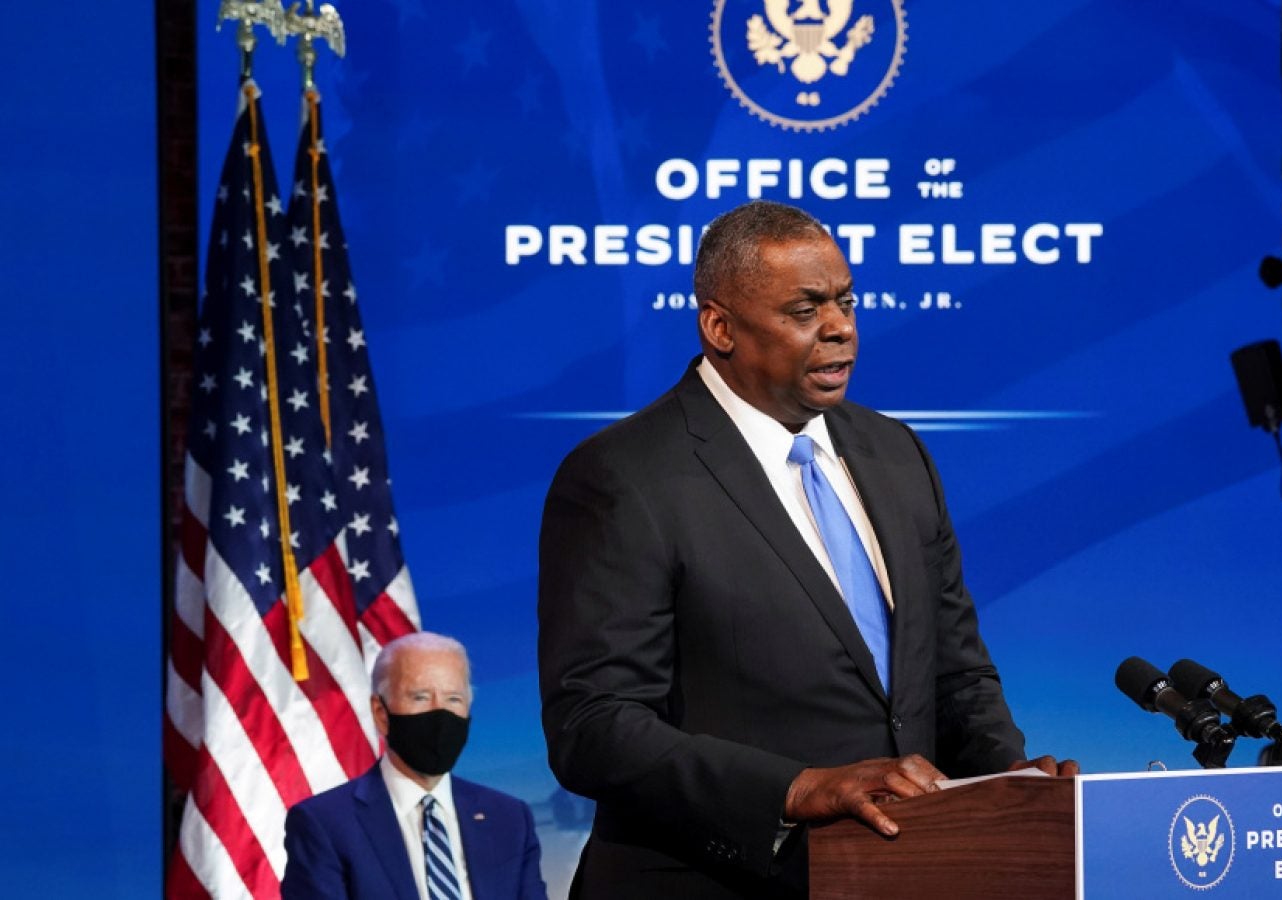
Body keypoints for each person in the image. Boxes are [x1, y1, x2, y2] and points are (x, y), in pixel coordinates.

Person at [538, 200, 1072, 898]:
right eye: (805, 310)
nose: (840, 328)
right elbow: (594, 724)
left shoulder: (895, 452)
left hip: (905, 875)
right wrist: (797, 789)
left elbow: (955, 674)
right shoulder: (625, 476)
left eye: (847, 302)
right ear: (720, 327)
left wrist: (1015, 786)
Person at [282, 632, 548, 900]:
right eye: (420, 697)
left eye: (453, 699)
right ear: (380, 713)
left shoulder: (509, 818)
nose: (439, 712)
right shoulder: (325, 824)